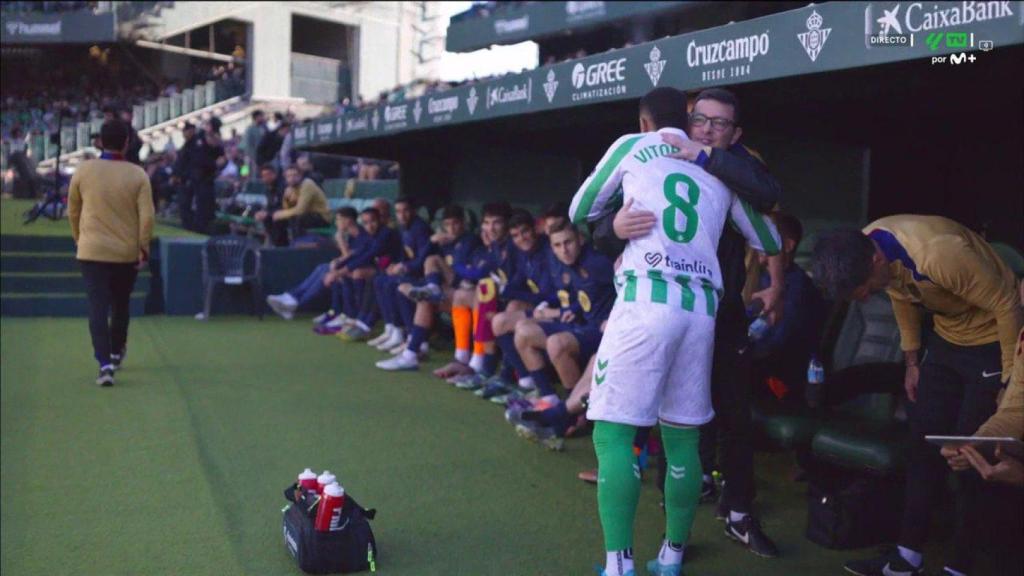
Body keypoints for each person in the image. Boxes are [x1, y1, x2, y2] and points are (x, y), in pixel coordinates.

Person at [570, 87, 781, 576]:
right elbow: (769, 238)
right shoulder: (719, 172)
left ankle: (618, 565)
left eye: (719, 125)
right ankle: (672, 556)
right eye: (703, 121)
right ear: (686, 118)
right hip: (702, 313)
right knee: (685, 439)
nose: (709, 130)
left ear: (645, 122)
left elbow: (581, 211)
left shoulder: (634, 146)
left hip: (647, 299)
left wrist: (617, 223)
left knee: (614, 437)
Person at [812, 215, 1022, 576]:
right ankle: (907, 559)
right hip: (947, 339)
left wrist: (1008, 378)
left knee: (970, 453)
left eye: (862, 287)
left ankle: (959, 566)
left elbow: (1006, 304)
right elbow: (900, 294)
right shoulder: (868, 244)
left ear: (875, 261)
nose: (862, 296)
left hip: (992, 340)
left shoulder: (938, 254)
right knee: (922, 444)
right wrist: (912, 359)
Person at [67, 119, 154, 387]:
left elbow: (73, 210)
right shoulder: (138, 175)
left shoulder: (84, 171)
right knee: (120, 304)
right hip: (124, 253)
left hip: (91, 250)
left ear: (100, 142)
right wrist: (143, 247)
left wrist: (80, 239)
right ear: (127, 143)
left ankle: (104, 364)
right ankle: (116, 353)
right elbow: (147, 217)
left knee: (97, 306)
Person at [375, 205, 480, 371]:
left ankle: (412, 348)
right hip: (453, 293)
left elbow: (464, 271)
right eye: (448, 224)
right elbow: (420, 260)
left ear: (463, 223)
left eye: (455, 224)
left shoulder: (470, 240)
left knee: (433, 260)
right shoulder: (445, 241)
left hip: (469, 293)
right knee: (422, 297)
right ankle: (411, 353)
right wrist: (432, 242)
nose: (451, 228)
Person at [748, 212, 827, 405]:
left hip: (784, 381)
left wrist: (742, 349)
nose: (759, 244)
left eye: (767, 238)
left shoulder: (798, 287)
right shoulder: (756, 279)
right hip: (761, 366)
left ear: (789, 245)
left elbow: (780, 341)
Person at [266, 207, 360, 319]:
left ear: (348, 220)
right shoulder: (349, 235)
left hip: (358, 270)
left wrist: (340, 241)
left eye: (338, 219)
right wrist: (337, 260)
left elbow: (353, 257)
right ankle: (291, 297)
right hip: (348, 267)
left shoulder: (359, 235)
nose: (336, 222)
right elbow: (348, 256)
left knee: (326, 270)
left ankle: (295, 304)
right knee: (322, 267)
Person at [255, 165, 330, 247]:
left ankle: (296, 247)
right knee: (275, 219)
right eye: (289, 176)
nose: (292, 178)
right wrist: (286, 198)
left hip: (322, 217)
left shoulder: (307, 184)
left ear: (300, 176)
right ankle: (280, 247)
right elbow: (287, 208)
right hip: (307, 215)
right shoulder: (291, 187)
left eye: (295, 175)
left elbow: (300, 210)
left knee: (297, 218)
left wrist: (280, 214)